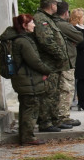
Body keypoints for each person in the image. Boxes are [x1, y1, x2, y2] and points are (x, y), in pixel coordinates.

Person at [5, 14, 53, 145]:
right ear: (24, 25)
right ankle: (28, 138)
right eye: (31, 22)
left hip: (24, 80)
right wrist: (47, 70)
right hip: (28, 81)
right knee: (30, 108)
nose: (34, 25)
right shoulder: (23, 41)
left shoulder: (18, 39)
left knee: (26, 107)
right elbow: (34, 61)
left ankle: (25, 136)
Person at [32, 0, 72, 130]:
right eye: (55, 4)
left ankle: (55, 120)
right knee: (48, 94)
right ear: (51, 5)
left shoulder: (48, 19)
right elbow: (46, 41)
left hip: (55, 65)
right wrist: (61, 55)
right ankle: (45, 122)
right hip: (48, 64)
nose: (57, 6)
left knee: (54, 94)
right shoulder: (41, 19)